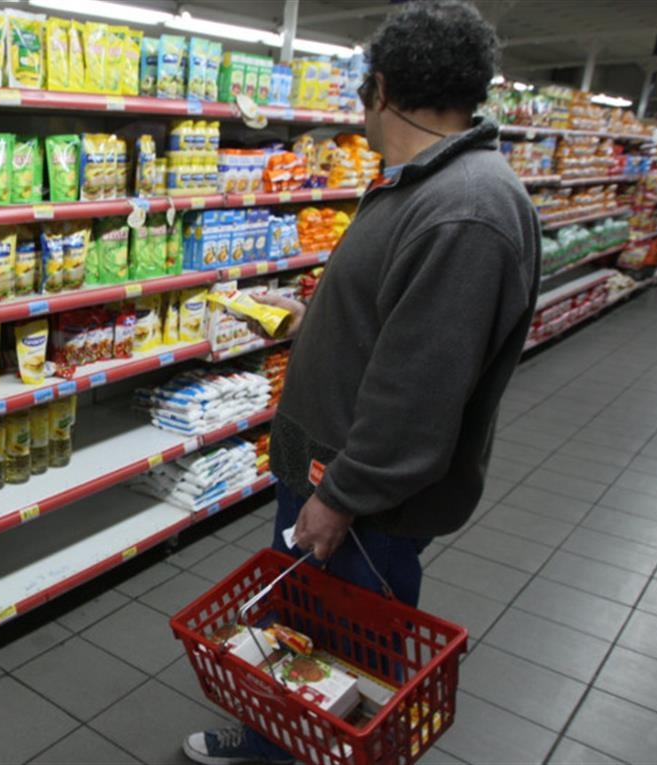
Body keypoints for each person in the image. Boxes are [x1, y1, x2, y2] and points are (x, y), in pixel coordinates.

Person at [185, 1, 539, 763]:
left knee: (339, 666)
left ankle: (297, 752)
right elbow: (394, 327)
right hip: (333, 478)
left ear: (379, 89)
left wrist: (340, 496)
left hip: (363, 503)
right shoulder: (427, 185)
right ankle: (268, 743)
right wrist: (309, 319)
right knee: (295, 634)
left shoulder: (466, 210)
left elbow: (418, 394)